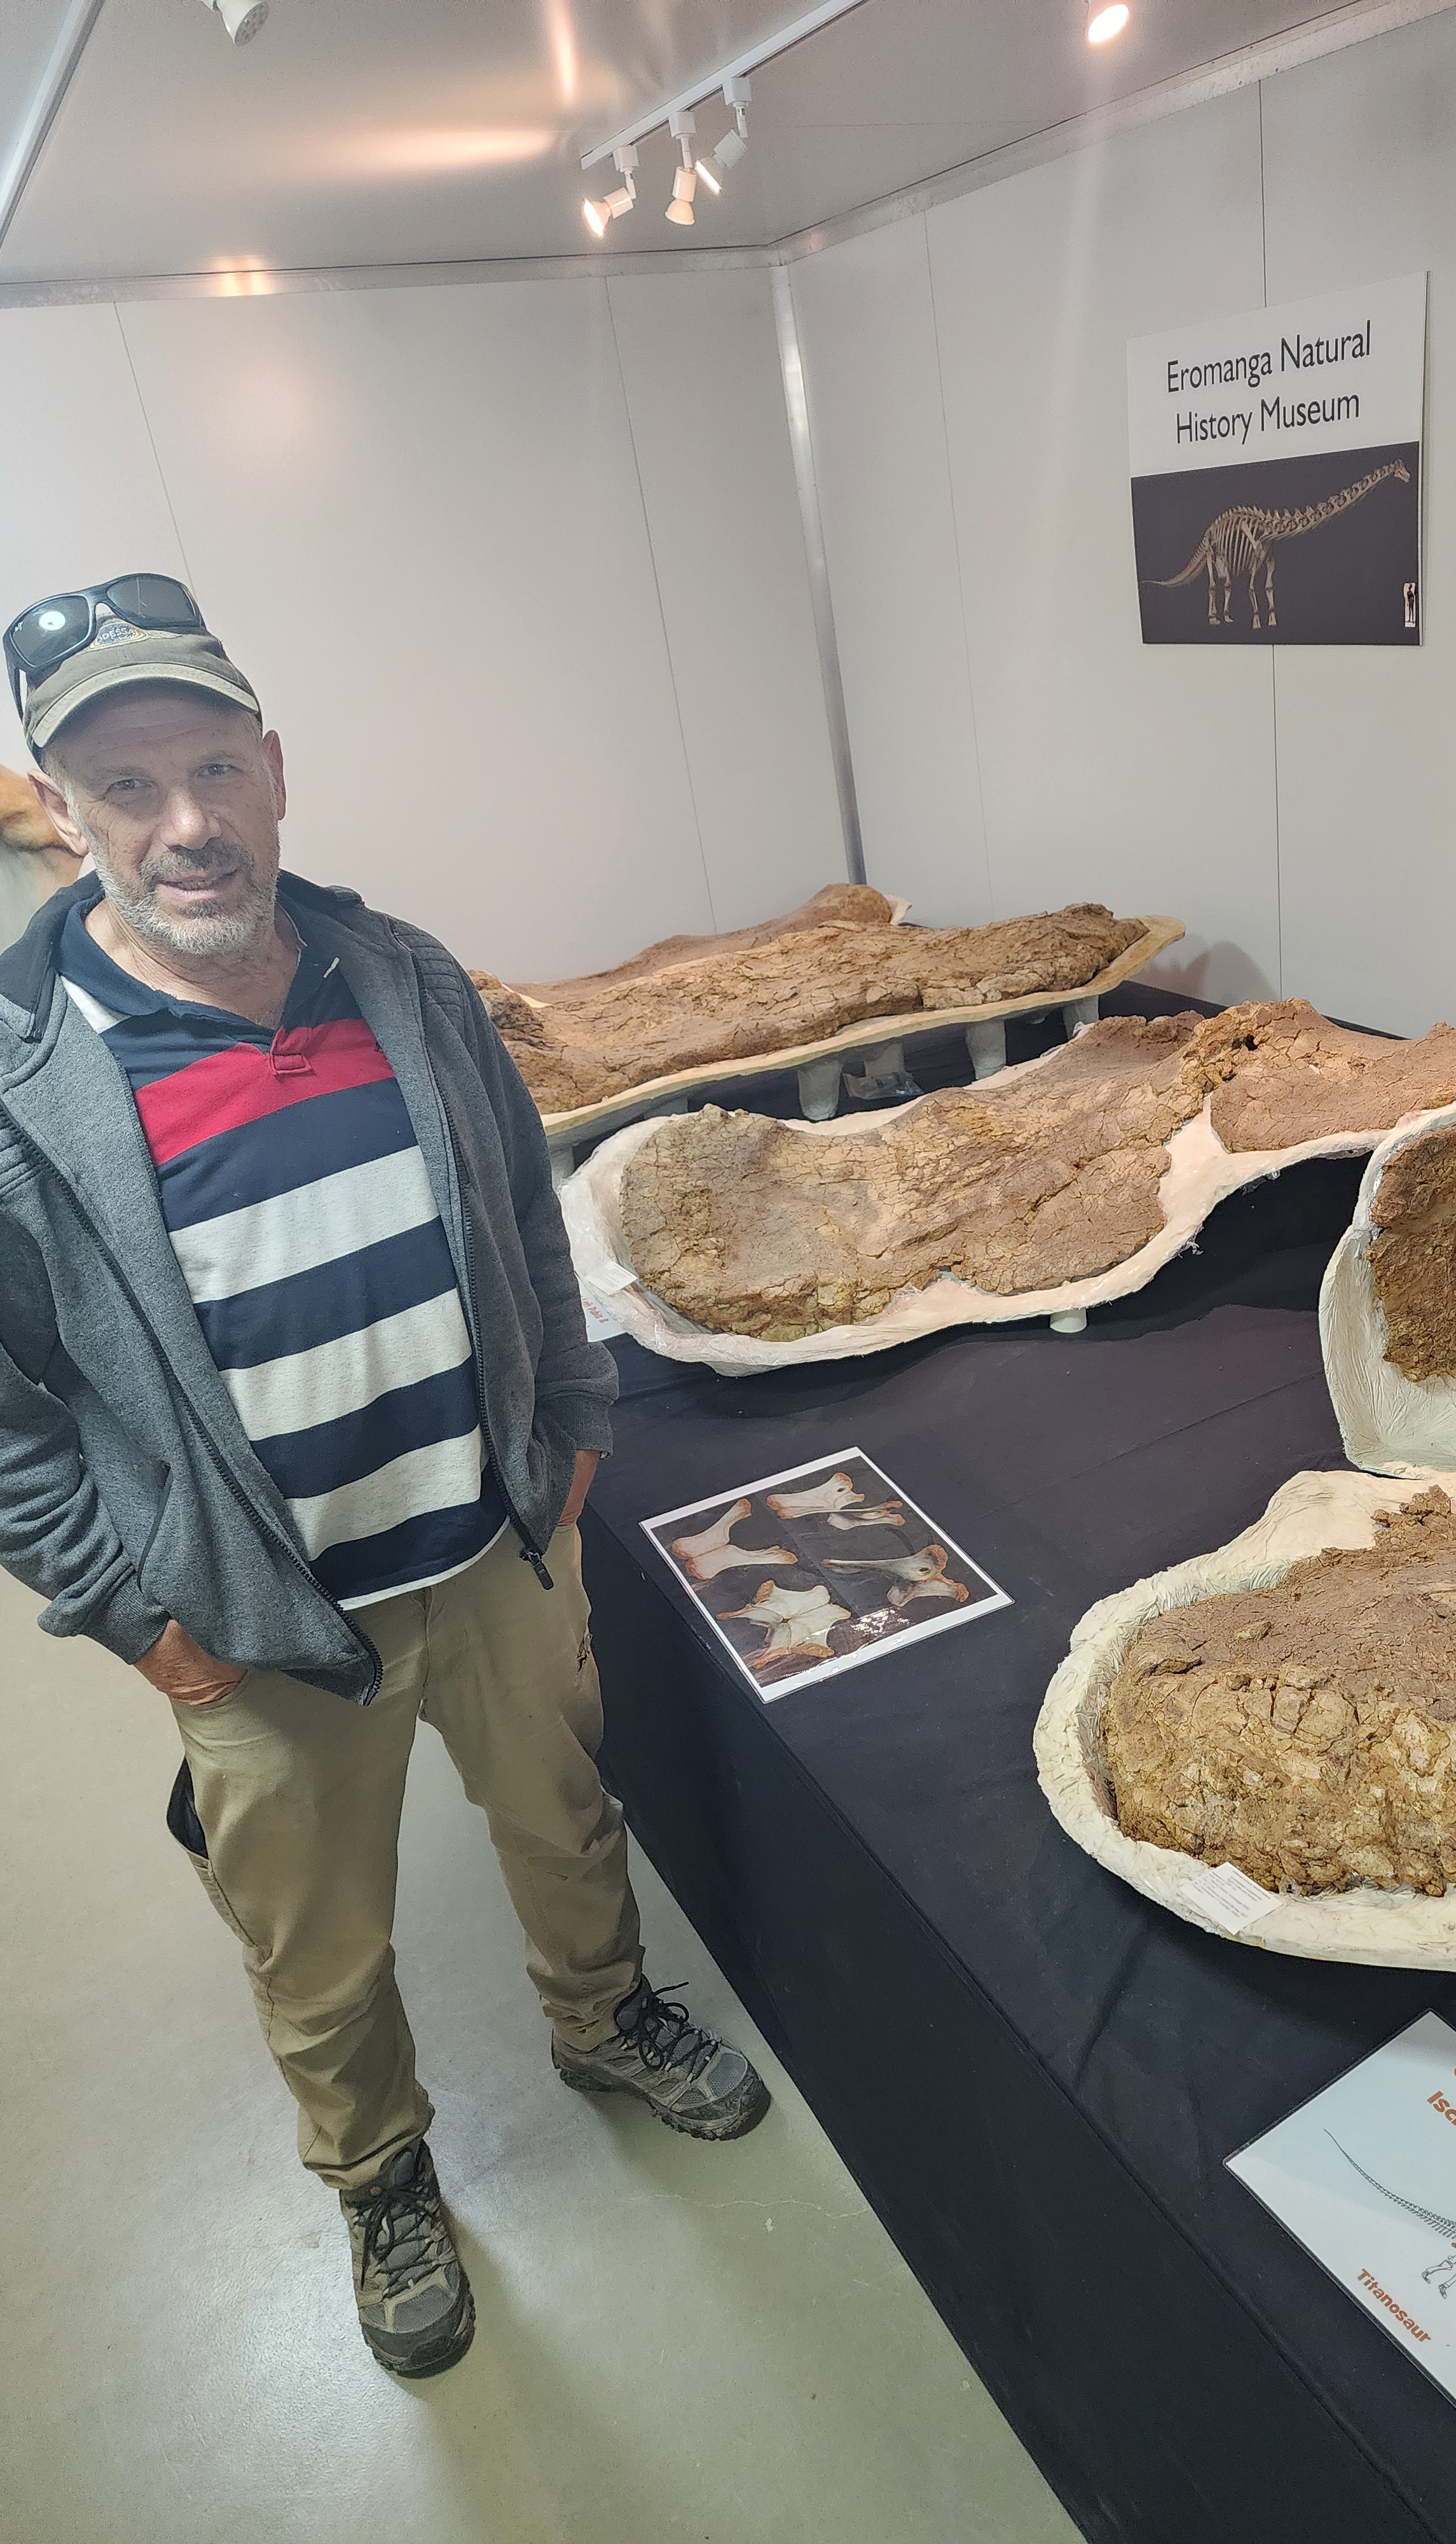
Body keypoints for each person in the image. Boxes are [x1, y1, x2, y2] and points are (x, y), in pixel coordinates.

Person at [0, 576, 768, 2379]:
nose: (187, 825)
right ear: (61, 809)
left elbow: (522, 1212)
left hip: (491, 1544)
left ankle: (605, 2022)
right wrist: (124, 1602)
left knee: (565, 1822)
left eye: (215, 768)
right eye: (129, 787)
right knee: (316, 1939)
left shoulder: (405, 979)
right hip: (254, 1619)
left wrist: (572, 1422)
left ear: (274, 769)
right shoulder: (27, 1073)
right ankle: (381, 2173)